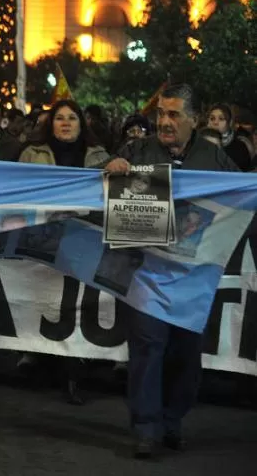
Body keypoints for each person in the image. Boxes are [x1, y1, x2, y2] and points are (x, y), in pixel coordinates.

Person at [103, 83, 238, 459]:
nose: (164, 121)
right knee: (147, 349)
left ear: (194, 120)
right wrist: (109, 168)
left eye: (174, 114)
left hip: (193, 279)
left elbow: (243, 197)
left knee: (185, 355)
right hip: (146, 273)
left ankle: (172, 422)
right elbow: (97, 181)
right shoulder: (137, 151)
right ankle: (146, 428)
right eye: (161, 113)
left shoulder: (215, 159)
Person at [17, 99, 110, 405]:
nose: (66, 123)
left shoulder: (100, 156)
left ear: (82, 124)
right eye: (60, 118)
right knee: (44, 301)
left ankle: (72, 374)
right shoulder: (32, 154)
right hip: (43, 240)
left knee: (74, 306)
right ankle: (39, 362)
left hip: (84, 239)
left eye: (72, 118)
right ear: (50, 123)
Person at [206, 103, 252, 171]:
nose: (215, 122)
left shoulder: (239, 147)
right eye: (212, 118)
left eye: (221, 119)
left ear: (229, 122)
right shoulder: (199, 144)